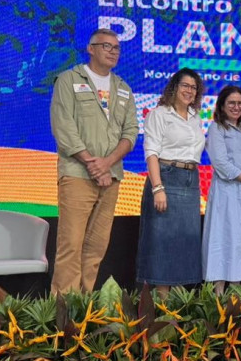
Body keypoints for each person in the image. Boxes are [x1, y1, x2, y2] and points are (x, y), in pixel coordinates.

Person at [49, 28, 139, 293]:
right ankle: (63, 309)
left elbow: (131, 133)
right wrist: (92, 162)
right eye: (106, 46)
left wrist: (107, 163)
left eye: (116, 48)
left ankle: (84, 304)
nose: (113, 52)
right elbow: (63, 126)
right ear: (91, 49)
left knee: (96, 247)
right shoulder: (68, 79)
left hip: (111, 177)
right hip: (78, 173)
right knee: (71, 244)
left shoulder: (123, 88)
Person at [136, 68, 206, 297]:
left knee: (185, 243)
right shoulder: (159, 114)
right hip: (166, 177)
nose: (189, 91)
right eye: (185, 85)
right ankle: (161, 304)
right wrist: (158, 188)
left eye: (193, 87)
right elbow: (151, 153)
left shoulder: (196, 118)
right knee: (162, 243)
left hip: (190, 181)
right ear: (174, 87)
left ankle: (178, 304)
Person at [202, 86, 241, 294]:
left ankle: (235, 297)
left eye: (240, 103)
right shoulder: (217, 128)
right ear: (221, 105)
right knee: (223, 239)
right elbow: (220, 163)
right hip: (226, 192)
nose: (236, 107)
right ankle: (218, 297)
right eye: (231, 103)